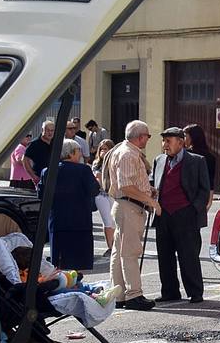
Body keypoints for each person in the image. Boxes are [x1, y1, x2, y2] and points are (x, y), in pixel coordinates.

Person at [151, 126, 212, 304]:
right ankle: (170, 291)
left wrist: (194, 209)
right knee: (165, 256)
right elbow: (154, 181)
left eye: (168, 141)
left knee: (188, 256)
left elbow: (204, 189)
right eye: (163, 141)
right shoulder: (159, 160)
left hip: (186, 214)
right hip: (164, 214)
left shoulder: (197, 160)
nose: (165, 145)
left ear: (181, 142)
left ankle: (195, 292)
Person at [104, 120, 158, 311]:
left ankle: (118, 295)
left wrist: (147, 190)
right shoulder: (128, 154)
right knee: (130, 252)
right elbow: (126, 186)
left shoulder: (124, 151)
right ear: (140, 136)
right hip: (129, 207)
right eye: (148, 136)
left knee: (119, 252)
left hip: (125, 205)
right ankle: (134, 294)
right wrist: (151, 201)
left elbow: (129, 183)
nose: (148, 140)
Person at [39, 138, 100, 273]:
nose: (80, 154)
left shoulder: (47, 171)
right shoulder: (83, 170)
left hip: (58, 222)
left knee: (59, 264)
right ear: (71, 153)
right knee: (76, 265)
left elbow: (41, 195)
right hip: (79, 222)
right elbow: (94, 190)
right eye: (78, 151)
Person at [182, 123, 220, 207]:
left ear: (192, 137)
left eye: (185, 136)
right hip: (201, 198)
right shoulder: (210, 157)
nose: (183, 139)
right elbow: (211, 182)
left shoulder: (185, 155)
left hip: (187, 196)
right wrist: (209, 202)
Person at [90, 138, 117, 255]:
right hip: (101, 195)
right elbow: (98, 179)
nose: (103, 151)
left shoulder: (115, 162)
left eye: (106, 149)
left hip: (113, 194)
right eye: (101, 149)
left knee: (114, 221)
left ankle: (116, 244)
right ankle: (110, 246)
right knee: (107, 221)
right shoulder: (96, 164)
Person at [22, 120, 55, 187]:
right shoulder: (34, 144)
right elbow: (24, 159)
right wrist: (34, 177)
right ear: (42, 130)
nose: (50, 133)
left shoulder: (56, 143)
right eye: (48, 130)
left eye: (52, 130)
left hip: (54, 179)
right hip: (41, 179)